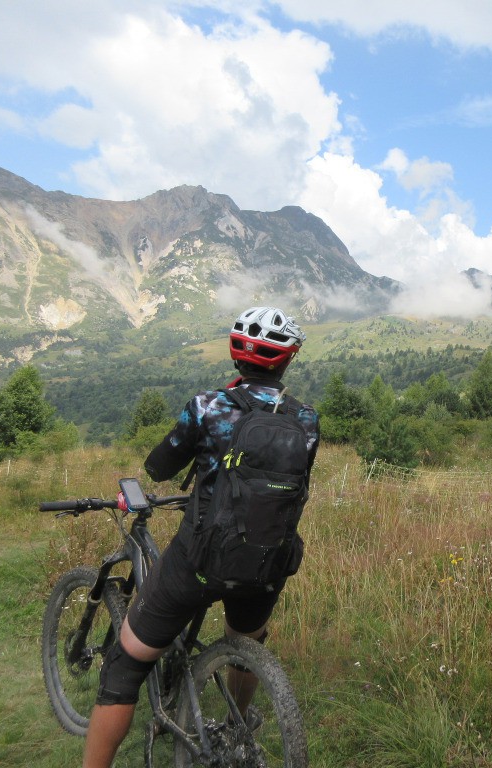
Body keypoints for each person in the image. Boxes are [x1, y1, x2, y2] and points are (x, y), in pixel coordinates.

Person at [82, 306, 319, 768]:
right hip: (266, 561)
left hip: (198, 561)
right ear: (286, 361)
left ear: (236, 355)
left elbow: (160, 467)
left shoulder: (207, 407)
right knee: (246, 643)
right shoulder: (306, 420)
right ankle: (237, 721)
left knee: (125, 665)